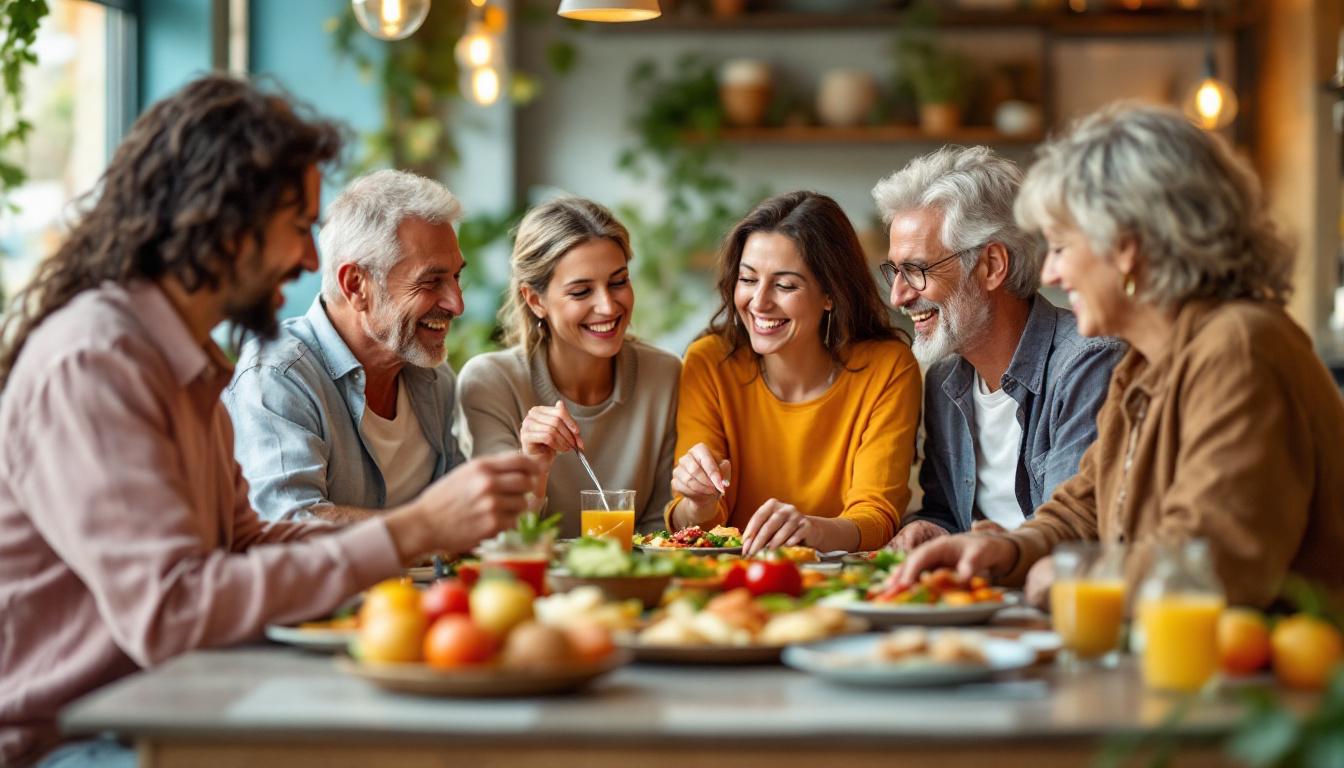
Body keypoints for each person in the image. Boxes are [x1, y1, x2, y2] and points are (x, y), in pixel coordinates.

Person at [0, 75, 538, 767]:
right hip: (83, 742)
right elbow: (173, 612)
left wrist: (434, 528)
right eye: (295, 228)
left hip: (175, 708)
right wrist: (417, 528)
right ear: (222, 223)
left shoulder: (186, 360)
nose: (310, 259)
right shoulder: (97, 360)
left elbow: (244, 542)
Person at [897, 104, 1344, 610]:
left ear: (1126, 247)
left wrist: (1065, 573)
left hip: (1274, 679)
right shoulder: (1147, 364)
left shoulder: (1238, 350)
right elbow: (1081, 509)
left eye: (1062, 248)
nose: (1051, 276)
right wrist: (1003, 548)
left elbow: (1211, 564)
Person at [872, 147, 1124, 551]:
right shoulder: (945, 379)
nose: (898, 297)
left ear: (991, 266)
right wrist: (931, 528)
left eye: (917, 270)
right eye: (895, 271)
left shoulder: (1086, 364)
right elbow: (947, 512)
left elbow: (1076, 532)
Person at [668, 191, 922, 556]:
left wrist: (809, 530)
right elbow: (688, 524)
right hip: (725, 577)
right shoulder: (709, 361)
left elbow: (878, 518)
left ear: (830, 293)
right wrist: (698, 503)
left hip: (843, 583)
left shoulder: (887, 367)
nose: (759, 302)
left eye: (785, 285)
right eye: (748, 279)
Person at [225, 169, 470, 522]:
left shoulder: (435, 379)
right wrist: (423, 528)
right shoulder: (278, 376)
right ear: (357, 285)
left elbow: (459, 518)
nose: (456, 304)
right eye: (431, 281)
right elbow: (290, 524)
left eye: (456, 277)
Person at [457, 198, 679, 536]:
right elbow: (499, 535)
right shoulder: (491, 383)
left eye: (618, 282)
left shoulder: (663, 376)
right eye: (581, 292)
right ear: (535, 300)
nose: (607, 306)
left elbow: (659, 533)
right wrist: (535, 467)